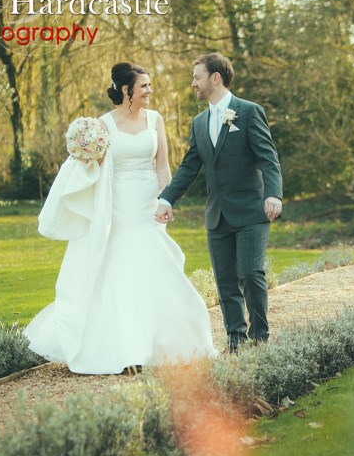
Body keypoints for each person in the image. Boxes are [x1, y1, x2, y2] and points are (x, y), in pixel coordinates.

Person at [23, 62, 219, 374]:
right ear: (127, 90)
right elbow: (95, 170)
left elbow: (163, 165)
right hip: (120, 208)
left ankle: (174, 344)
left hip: (150, 205)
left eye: (150, 86)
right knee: (123, 272)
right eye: (144, 86)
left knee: (159, 269)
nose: (149, 91)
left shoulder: (155, 120)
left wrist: (166, 199)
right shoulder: (102, 126)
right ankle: (128, 350)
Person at [155, 52, 283, 354]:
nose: (193, 83)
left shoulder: (249, 112)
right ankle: (236, 339)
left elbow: (268, 157)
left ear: (215, 78)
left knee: (251, 274)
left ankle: (261, 338)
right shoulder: (199, 123)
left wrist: (273, 193)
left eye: (197, 77)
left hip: (252, 210)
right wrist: (166, 199)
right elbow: (189, 167)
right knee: (225, 282)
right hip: (217, 216)